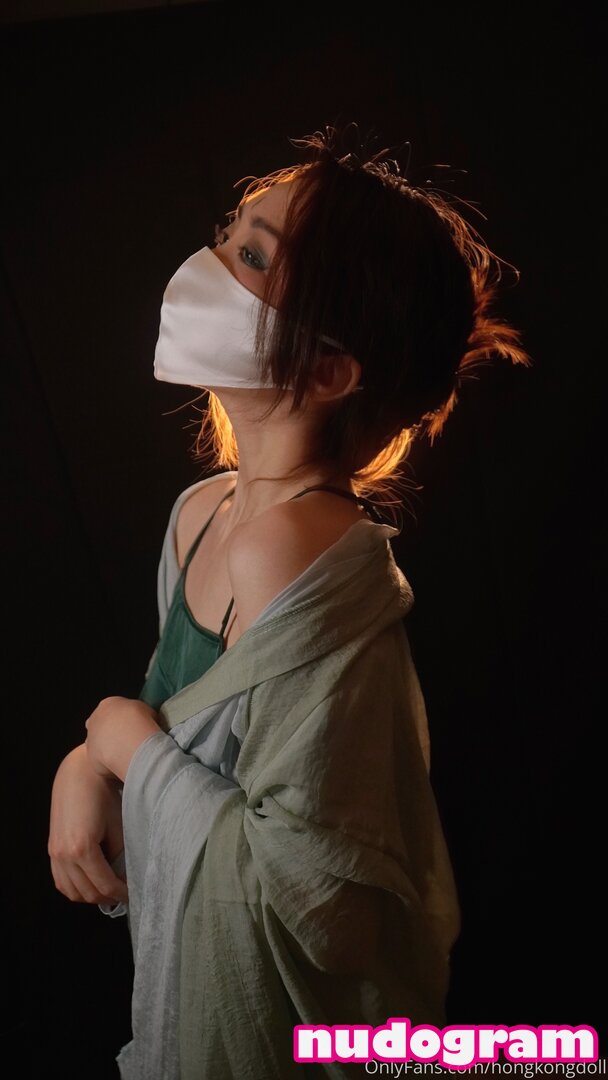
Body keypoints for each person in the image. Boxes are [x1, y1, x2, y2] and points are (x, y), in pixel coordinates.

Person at [48, 123, 532, 1079]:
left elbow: (307, 898)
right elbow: (178, 737)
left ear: (326, 371)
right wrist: (89, 760)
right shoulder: (203, 513)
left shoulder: (289, 547)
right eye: (230, 233)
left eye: (256, 257)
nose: (210, 262)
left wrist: (118, 745)